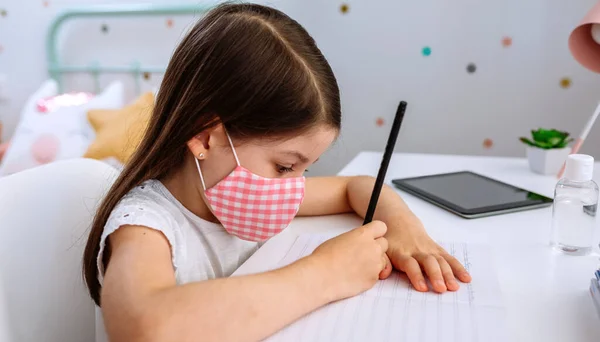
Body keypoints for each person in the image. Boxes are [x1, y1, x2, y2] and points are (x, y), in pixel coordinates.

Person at [82, 3, 472, 341]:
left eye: (305, 169)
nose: (294, 187)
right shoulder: (146, 227)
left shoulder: (242, 192)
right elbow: (143, 329)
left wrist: (406, 229)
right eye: (285, 166)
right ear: (204, 136)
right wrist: (324, 274)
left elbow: (358, 186)